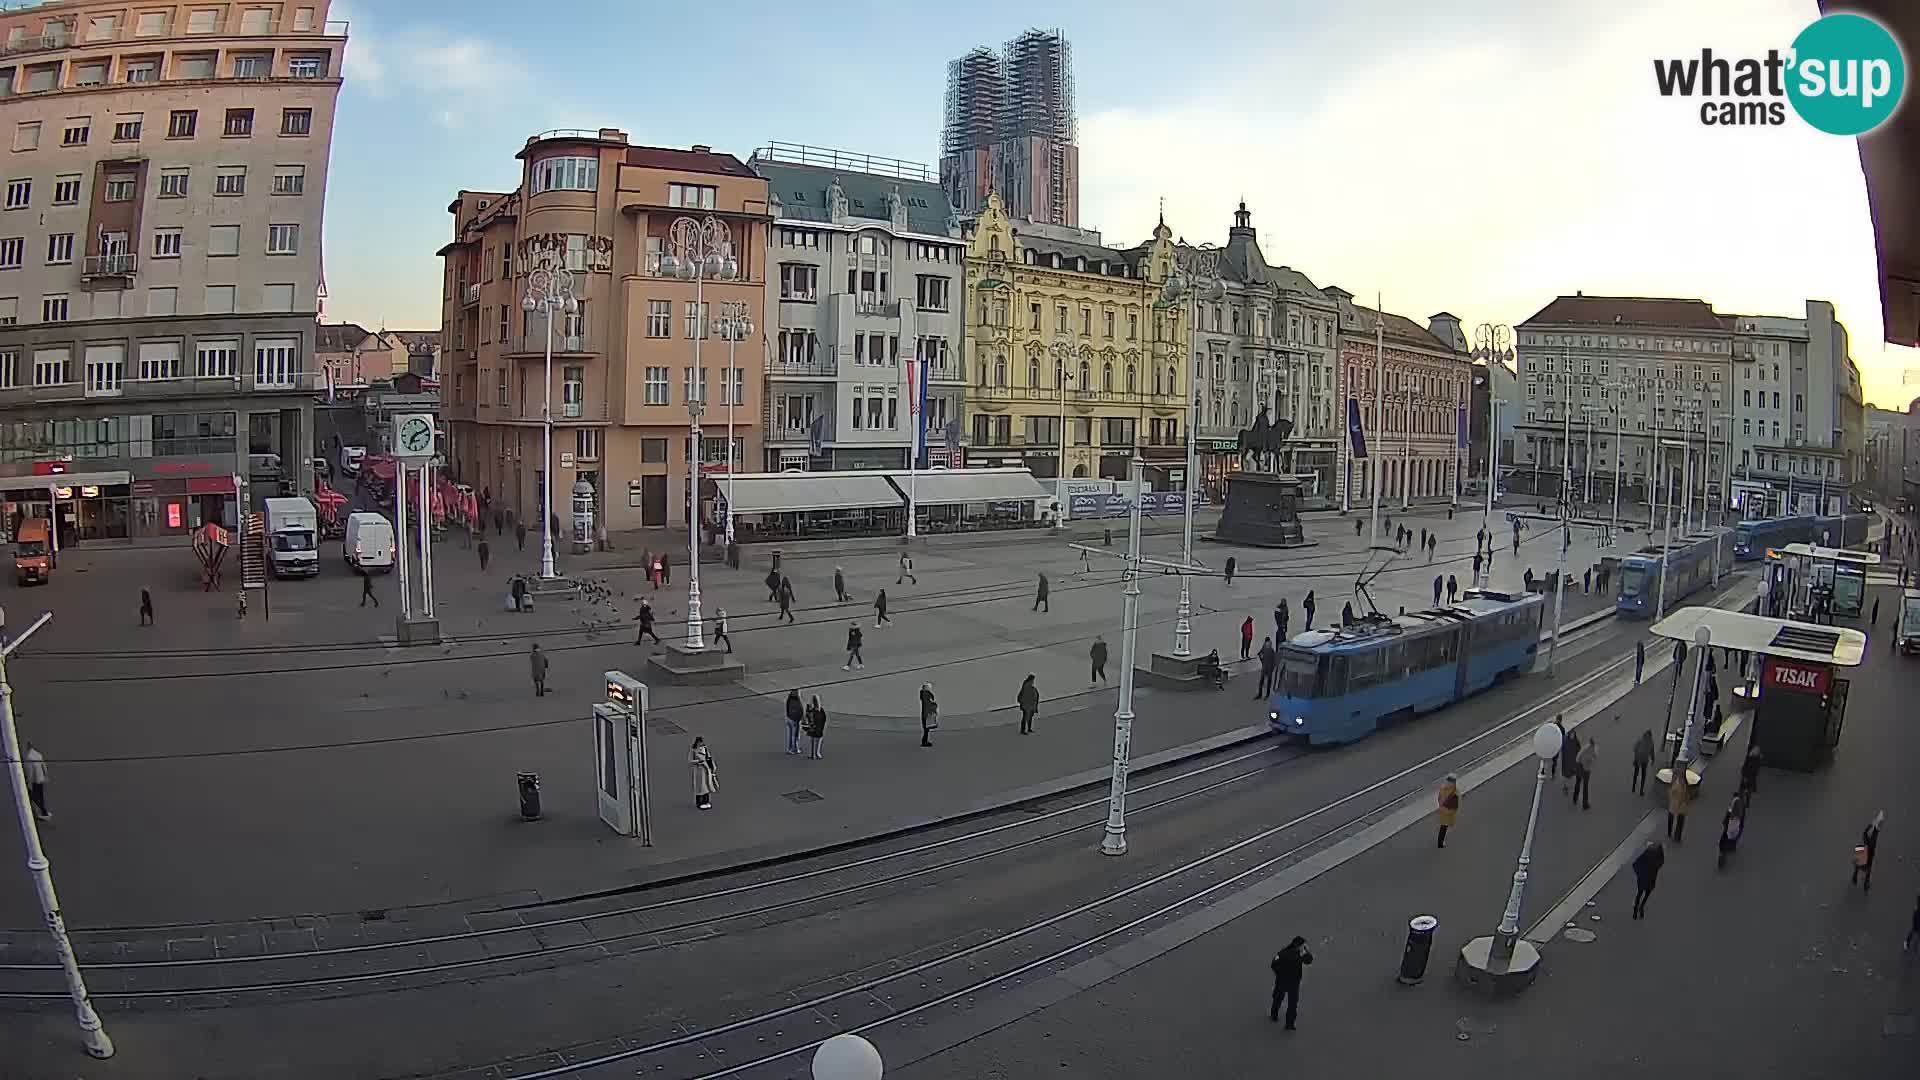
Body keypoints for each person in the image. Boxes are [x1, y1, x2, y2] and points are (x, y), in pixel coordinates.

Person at [1268, 936, 1313, 1029]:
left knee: (1279, 999)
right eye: (1302, 945)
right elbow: (1308, 960)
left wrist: (1279, 974)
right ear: (1297, 944)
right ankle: (1289, 1023)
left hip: (1286, 982)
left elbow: (1274, 964)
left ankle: (1276, 1016)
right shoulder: (1293, 954)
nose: (1303, 947)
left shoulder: (1285, 952)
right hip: (1290, 982)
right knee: (1290, 1003)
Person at [1630, 839, 1665, 919]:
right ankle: (1639, 907)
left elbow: (1636, 863)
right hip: (1649, 877)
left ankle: (1637, 908)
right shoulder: (1654, 852)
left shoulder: (1649, 852)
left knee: (1641, 893)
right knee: (1644, 893)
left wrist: (1639, 874)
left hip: (1646, 877)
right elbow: (1661, 861)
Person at [1852, 811, 1884, 891]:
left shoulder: (1861, 851)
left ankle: (1874, 828)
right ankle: (1875, 828)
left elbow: (1858, 865)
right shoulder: (1864, 852)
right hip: (1866, 859)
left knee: (1863, 848)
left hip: (1864, 857)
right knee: (1867, 847)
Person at [1717, 793, 1745, 869]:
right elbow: (1740, 816)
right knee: (1731, 836)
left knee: (1726, 837)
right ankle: (1730, 848)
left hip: (1731, 823)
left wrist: (1725, 820)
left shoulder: (1735, 803)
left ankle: (1723, 854)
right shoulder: (1740, 803)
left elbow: (1729, 812)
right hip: (1734, 823)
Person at [23, 741, 48, 822]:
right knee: (40, 796)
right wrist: (46, 775)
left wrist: (28, 781)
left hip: (35, 780)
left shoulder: (29, 757)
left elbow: (30, 772)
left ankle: (42, 811)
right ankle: (43, 812)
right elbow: (43, 765)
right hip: (41, 778)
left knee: (34, 796)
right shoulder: (38, 754)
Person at [689, 737, 717, 809]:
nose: (701, 744)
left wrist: (712, 767)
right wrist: (698, 761)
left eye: (701, 742)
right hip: (699, 771)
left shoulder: (705, 749)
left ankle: (706, 801)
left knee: (707, 786)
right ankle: (699, 803)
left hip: (706, 770)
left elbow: (709, 758)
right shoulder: (693, 750)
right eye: (699, 743)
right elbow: (690, 760)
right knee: (699, 788)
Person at [1435, 774, 1460, 848]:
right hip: (1449, 811)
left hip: (1442, 809)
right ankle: (1440, 843)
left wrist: (1440, 805)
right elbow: (1455, 804)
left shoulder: (1443, 788)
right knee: (1444, 827)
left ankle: (1440, 841)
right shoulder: (1454, 790)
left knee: (1443, 826)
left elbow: (1439, 798)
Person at [1666, 771, 1690, 843]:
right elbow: (1670, 791)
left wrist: (1686, 801)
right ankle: (1669, 832)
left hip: (1681, 805)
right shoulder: (1675, 782)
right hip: (1674, 803)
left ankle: (1677, 836)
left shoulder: (1685, 785)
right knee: (1671, 817)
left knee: (1680, 820)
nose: (1681, 780)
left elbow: (1686, 796)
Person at [1574, 734, 1596, 810]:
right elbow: (1593, 758)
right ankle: (1585, 804)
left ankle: (1575, 798)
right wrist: (1588, 761)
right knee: (1585, 787)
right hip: (1586, 769)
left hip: (1580, 767)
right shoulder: (1592, 749)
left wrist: (1578, 764)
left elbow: (1577, 757)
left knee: (1578, 783)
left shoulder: (1585, 748)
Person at [804, 696, 828, 760]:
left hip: (812, 727)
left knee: (812, 741)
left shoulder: (810, 709)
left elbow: (807, 716)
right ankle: (817, 753)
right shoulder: (820, 710)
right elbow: (824, 718)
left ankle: (812, 754)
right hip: (819, 727)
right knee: (818, 740)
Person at [1632, 729, 1654, 795]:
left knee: (1636, 773)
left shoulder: (1640, 740)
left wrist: (1635, 758)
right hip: (1644, 759)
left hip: (1639, 758)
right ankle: (1641, 790)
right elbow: (1652, 752)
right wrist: (1653, 759)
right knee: (1643, 775)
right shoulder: (1651, 742)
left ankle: (1633, 787)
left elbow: (1635, 749)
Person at [1559, 724, 1581, 792]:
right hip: (1566, 760)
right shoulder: (1566, 741)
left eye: (1573, 734)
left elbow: (1579, 748)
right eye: (1571, 734)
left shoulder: (1575, 741)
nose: (1572, 736)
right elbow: (1562, 749)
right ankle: (1565, 786)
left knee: (1571, 774)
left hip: (1572, 760)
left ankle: (1568, 786)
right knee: (1565, 775)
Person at [785, 690, 804, 754]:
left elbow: (787, 708)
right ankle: (795, 749)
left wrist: (788, 716)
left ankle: (789, 748)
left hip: (789, 718)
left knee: (790, 735)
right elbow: (800, 711)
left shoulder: (789, 699)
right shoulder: (797, 701)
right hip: (795, 720)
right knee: (795, 735)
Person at [920, 683, 938, 747]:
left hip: (925, 714)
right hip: (926, 715)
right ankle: (924, 742)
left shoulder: (925, 695)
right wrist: (934, 705)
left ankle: (925, 741)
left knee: (926, 730)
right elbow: (928, 705)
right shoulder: (925, 695)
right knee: (926, 730)